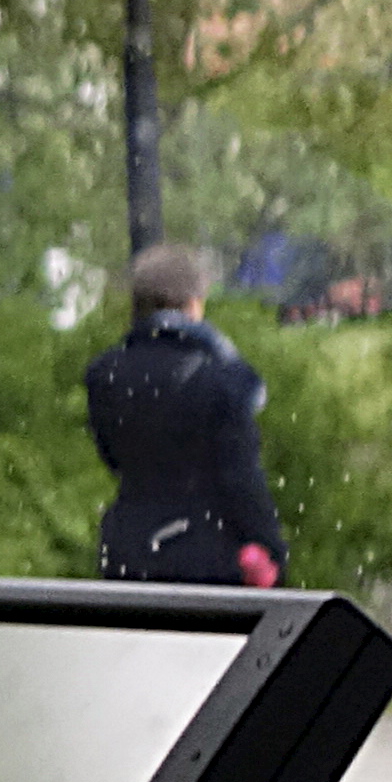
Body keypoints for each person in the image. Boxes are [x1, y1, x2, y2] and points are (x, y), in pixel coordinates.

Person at [84, 241, 284, 589]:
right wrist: (271, 548)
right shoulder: (220, 379)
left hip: (128, 549)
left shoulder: (106, 374)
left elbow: (112, 457)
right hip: (204, 555)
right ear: (193, 302)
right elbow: (240, 477)